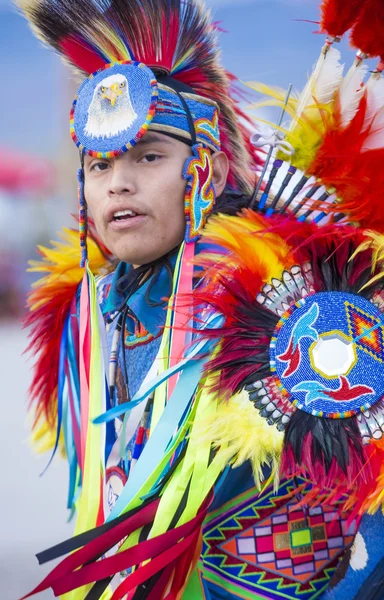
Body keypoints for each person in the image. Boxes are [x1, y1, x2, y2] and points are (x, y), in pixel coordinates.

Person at [20, 0, 384, 599]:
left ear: (208, 175)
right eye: (99, 164)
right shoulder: (90, 317)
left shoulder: (295, 311)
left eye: (149, 156)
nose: (119, 182)